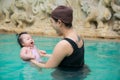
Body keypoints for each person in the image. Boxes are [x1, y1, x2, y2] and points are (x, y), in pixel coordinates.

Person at [31, 5, 85, 71]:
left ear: (59, 22)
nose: (51, 25)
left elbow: (47, 67)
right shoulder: (78, 36)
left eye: (51, 22)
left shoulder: (64, 44)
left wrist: (31, 60)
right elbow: (68, 58)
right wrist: (45, 55)